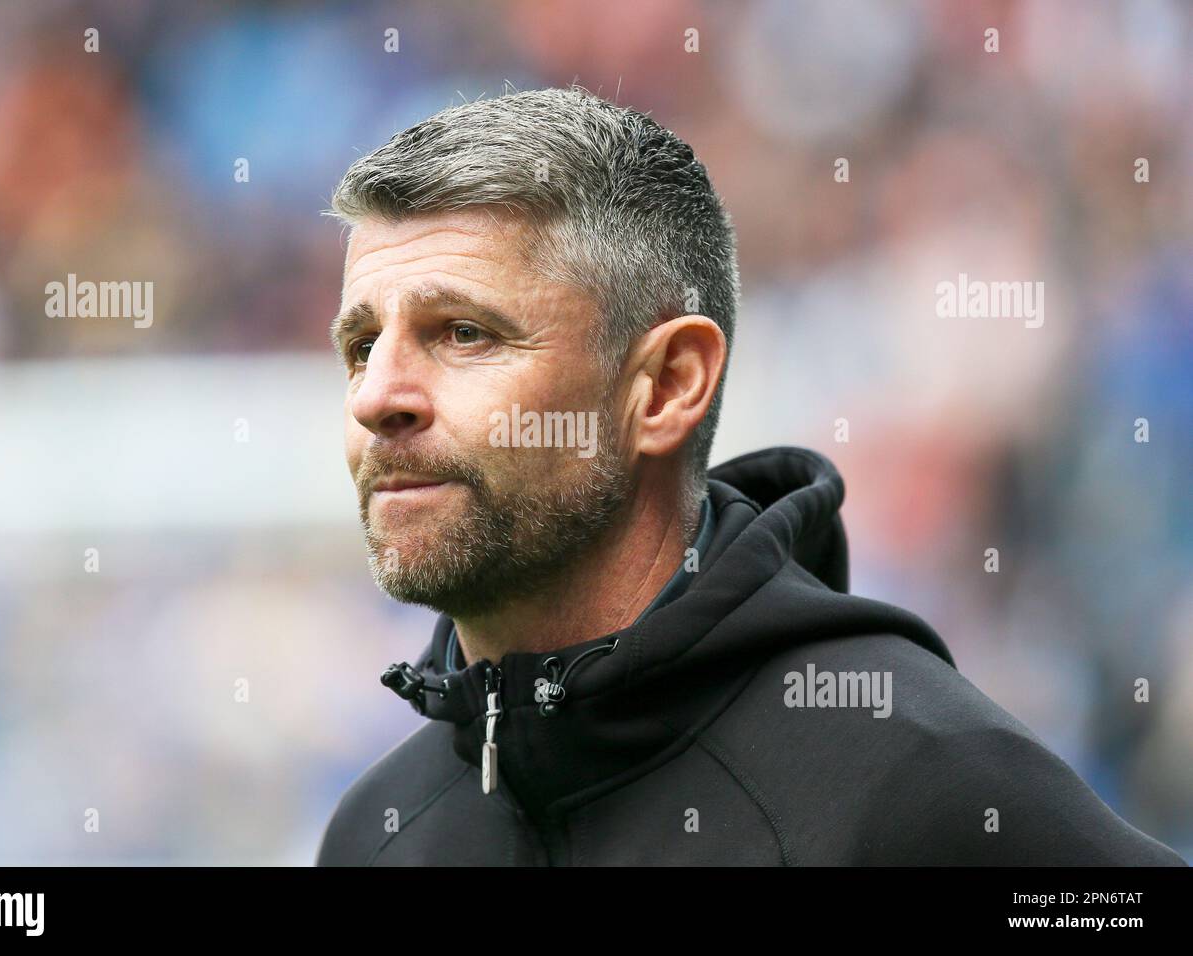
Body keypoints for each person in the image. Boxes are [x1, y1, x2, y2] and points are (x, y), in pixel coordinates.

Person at [316, 86, 1185, 866]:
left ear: (668, 385)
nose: (377, 397)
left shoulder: (922, 782)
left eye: (464, 333)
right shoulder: (377, 832)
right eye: (362, 346)